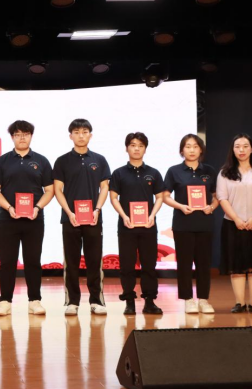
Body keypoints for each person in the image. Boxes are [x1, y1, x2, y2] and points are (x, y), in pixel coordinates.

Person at [0, 120, 54, 316]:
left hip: (34, 220)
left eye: (25, 134)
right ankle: (5, 301)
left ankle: (34, 300)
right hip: (8, 219)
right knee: (7, 262)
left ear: (31, 136)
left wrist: (37, 207)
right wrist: (9, 207)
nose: (22, 138)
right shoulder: (2, 161)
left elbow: (49, 190)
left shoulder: (41, 161)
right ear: (12, 137)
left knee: (33, 261)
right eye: (17, 134)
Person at [53, 119, 111, 316]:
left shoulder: (99, 160)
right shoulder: (62, 161)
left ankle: (96, 301)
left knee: (95, 261)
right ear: (70, 136)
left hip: (93, 219)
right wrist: (69, 212)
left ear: (90, 135)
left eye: (85, 132)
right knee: (71, 262)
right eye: (76, 132)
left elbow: (104, 187)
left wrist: (97, 209)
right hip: (70, 219)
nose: (81, 135)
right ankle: (72, 302)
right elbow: (58, 189)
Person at [217, 133, 252, 313]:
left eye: (245, 146)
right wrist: (236, 218)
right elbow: (222, 198)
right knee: (237, 265)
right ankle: (239, 303)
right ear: (232, 150)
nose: (241, 150)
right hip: (232, 224)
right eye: (237, 146)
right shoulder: (224, 173)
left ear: (251, 149)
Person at [162, 134, 219, 314]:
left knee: (204, 264)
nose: (192, 150)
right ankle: (188, 300)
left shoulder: (209, 171)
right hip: (183, 224)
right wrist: (180, 206)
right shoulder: (174, 171)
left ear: (201, 149)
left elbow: (217, 196)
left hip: (205, 224)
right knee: (184, 264)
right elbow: (165, 196)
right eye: (188, 146)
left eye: (195, 146)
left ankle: (203, 300)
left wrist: (211, 207)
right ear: (182, 150)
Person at [109, 133, 165, 315]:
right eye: (133, 145)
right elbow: (113, 197)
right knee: (127, 265)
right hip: (127, 226)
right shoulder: (119, 173)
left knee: (149, 265)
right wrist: (124, 216)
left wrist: (152, 215)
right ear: (127, 148)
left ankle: (149, 301)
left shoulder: (153, 173)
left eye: (140, 145)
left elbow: (160, 197)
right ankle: (129, 302)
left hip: (148, 226)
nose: (136, 148)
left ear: (145, 149)